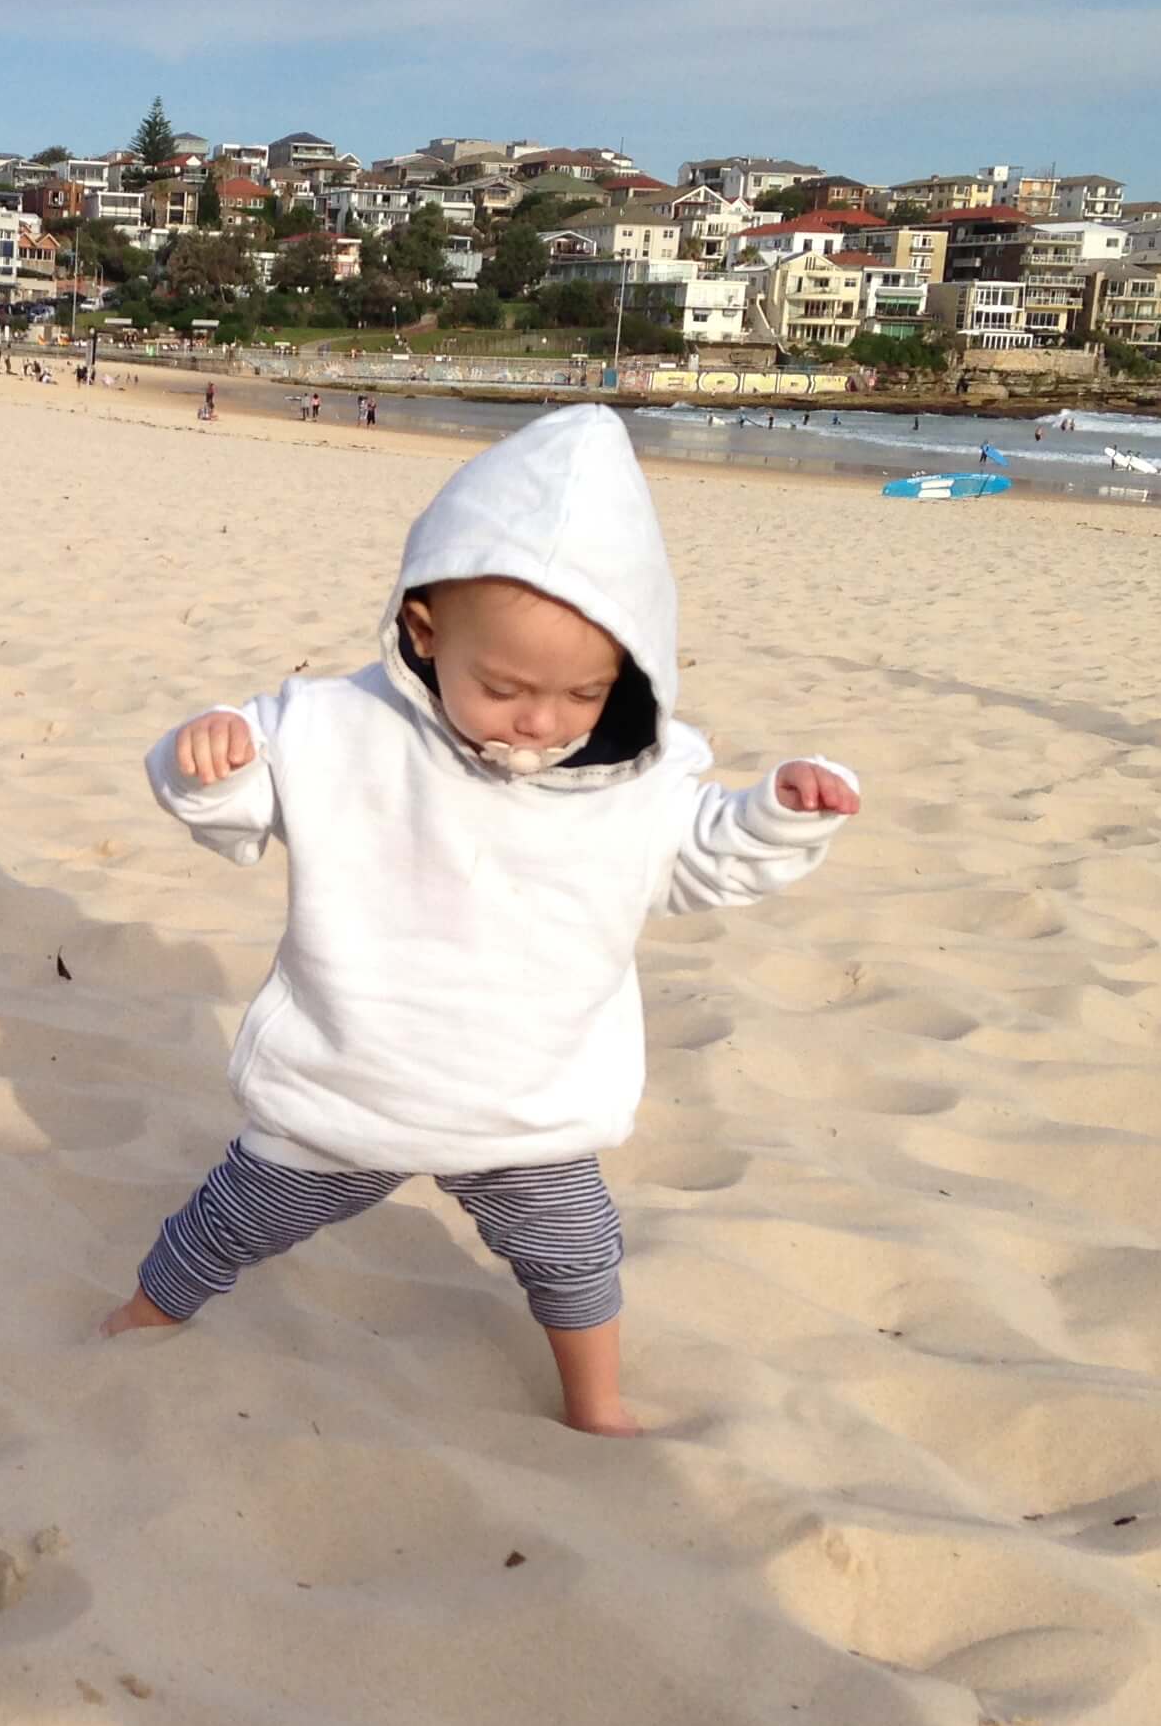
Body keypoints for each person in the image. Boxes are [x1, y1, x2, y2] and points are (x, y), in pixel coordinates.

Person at [98, 407, 861, 1433]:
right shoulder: (338, 727)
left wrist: (781, 815)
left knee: (577, 1254)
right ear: (424, 633)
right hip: (350, 1084)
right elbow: (240, 798)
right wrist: (214, 762)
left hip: (525, 1108)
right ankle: (144, 1315)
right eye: (503, 686)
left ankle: (596, 1404)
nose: (540, 720)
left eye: (583, 693)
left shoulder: (637, 780)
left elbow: (703, 860)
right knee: (233, 1219)